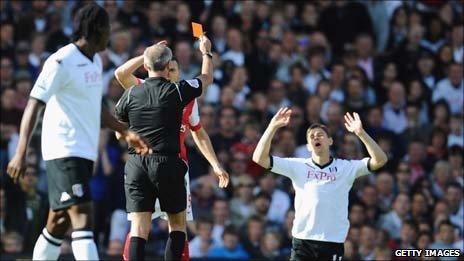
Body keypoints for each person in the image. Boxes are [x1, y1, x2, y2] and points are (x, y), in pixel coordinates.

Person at [6, 4, 150, 261]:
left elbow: (95, 106)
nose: (110, 35)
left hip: (83, 151)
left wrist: (124, 131)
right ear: (97, 29)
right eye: (108, 29)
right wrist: (20, 153)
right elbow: (34, 104)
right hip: (63, 149)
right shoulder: (61, 61)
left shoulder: (94, 61)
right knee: (83, 215)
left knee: (58, 222)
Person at [114, 41, 229, 260]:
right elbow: (207, 79)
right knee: (177, 225)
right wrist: (206, 52)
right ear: (168, 67)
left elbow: (118, 129)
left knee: (139, 228)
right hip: (169, 164)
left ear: (146, 66)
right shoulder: (178, 91)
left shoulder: (132, 93)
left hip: (138, 165)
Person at [252, 108, 387, 260]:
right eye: (311, 136)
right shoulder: (297, 166)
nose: (316, 137)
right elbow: (259, 158)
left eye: (320, 135)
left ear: (330, 141)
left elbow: (380, 160)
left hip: (332, 241)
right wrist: (272, 127)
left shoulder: (346, 167)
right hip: (303, 241)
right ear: (308, 146)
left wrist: (361, 133)